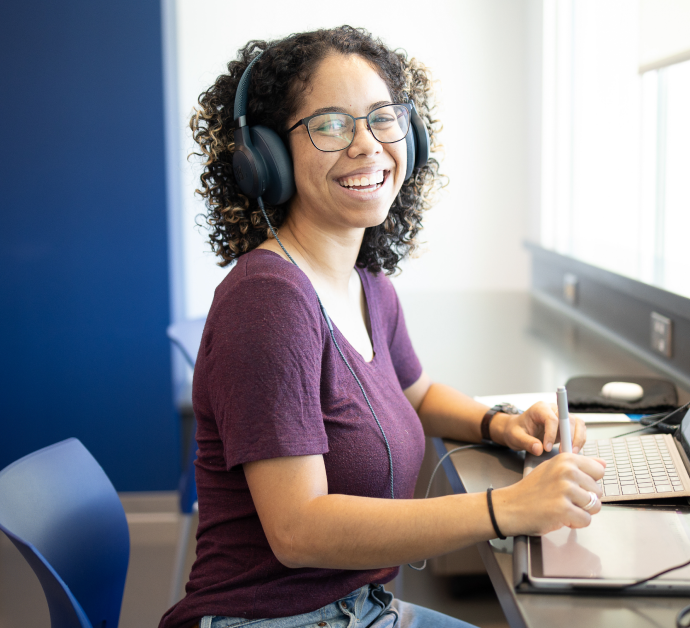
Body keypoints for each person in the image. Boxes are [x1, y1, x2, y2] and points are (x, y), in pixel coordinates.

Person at [160, 26, 605, 628]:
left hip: (356, 610)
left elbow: (414, 393)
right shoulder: (267, 302)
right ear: (266, 157)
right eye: (331, 124)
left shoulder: (366, 282)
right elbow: (299, 529)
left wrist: (499, 424)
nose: (367, 145)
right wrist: (506, 508)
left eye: (382, 119)